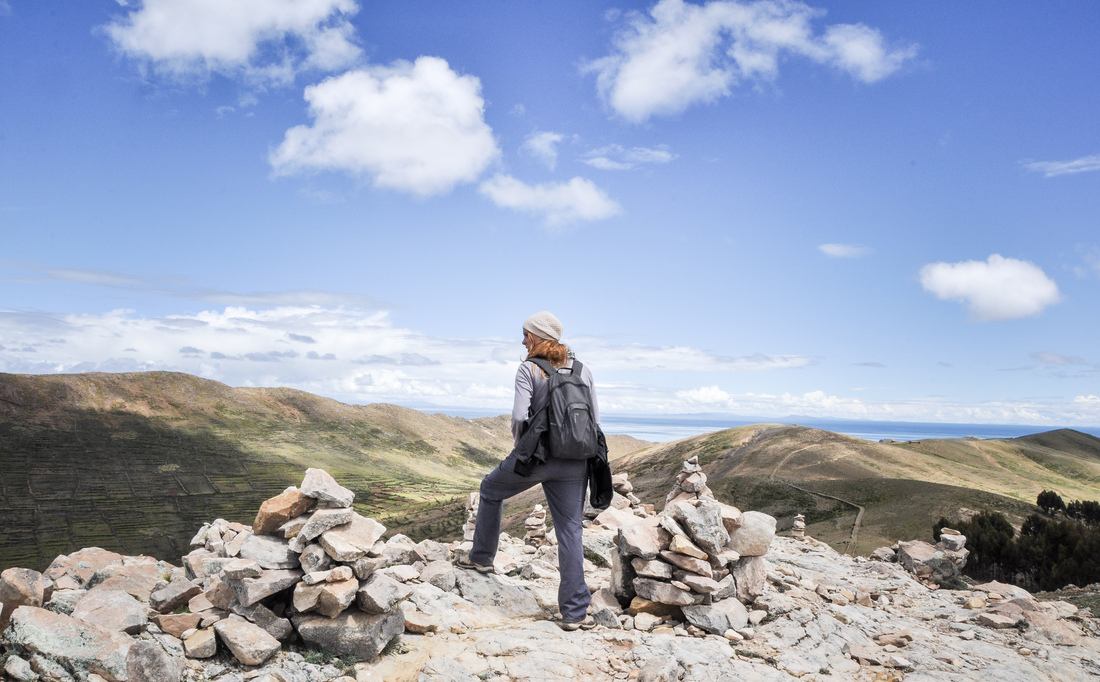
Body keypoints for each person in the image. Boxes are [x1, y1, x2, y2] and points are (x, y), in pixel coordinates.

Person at [456, 310, 599, 631]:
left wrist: (523, 450)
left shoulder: (529, 369)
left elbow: (521, 416)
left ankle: (481, 558)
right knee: (570, 530)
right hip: (576, 459)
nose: (522, 340)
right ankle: (575, 612)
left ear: (536, 337)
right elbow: (595, 419)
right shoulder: (583, 369)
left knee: (490, 489)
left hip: (536, 457)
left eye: (525, 334)